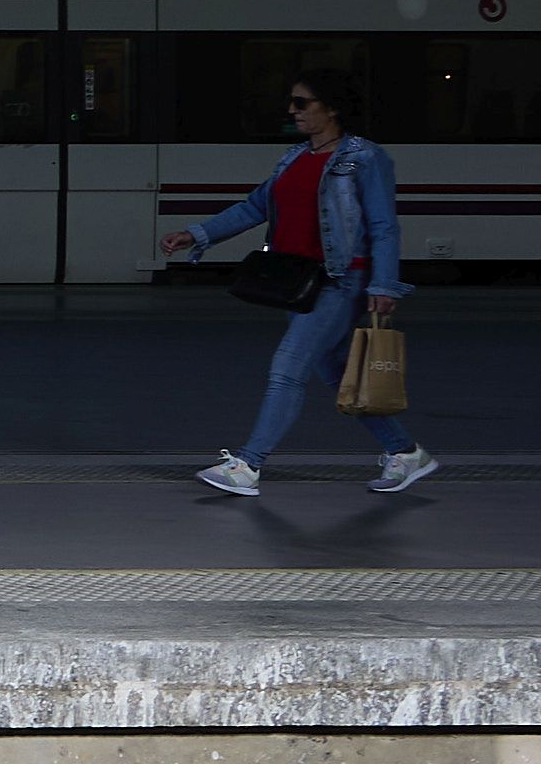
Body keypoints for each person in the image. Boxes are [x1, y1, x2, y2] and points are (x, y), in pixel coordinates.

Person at [167, 64, 434, 498]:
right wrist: (198, 234)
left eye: (302, 103)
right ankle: (405, 451)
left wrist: (384, 286)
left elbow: (385, 226)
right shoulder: (294, 157)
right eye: (292, 103)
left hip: (340, 281)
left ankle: (248, 465)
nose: (293, 111)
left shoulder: (364, 158)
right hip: (300, 283)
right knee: (338, 374)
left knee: (287, 368)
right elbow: (254, 208)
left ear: (332, 108)